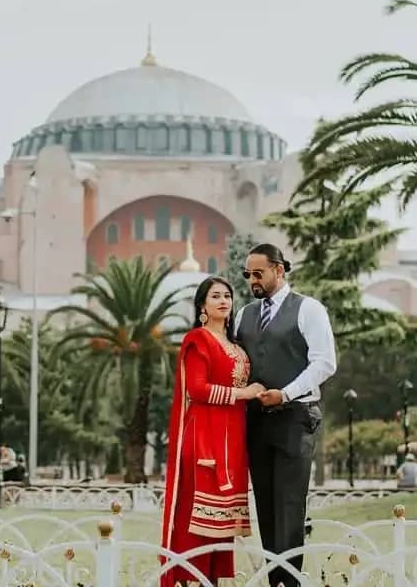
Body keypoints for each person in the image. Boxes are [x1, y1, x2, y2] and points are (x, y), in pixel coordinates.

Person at [237, 243, 337, 587]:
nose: (252, 280)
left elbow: (325, 362)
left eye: (258, 273)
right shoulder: (244, 314)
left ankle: (290, 583)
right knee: (265, 506)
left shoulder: (309, 309)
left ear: (279, 270)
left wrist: (286, 393)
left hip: (295, 417)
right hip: (256, 421)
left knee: (290, 506)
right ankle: (274, 582)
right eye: (248, 274)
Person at [160, 276, 266, 587]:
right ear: (202, 306)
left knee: (221, 524)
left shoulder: (235, 346)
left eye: (227, 296)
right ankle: (190, 579)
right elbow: (197, 389)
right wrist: (244, 394)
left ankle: (212, 581)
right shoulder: (198, 340)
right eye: (216, 296)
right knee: (196, 517)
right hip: (204, 435)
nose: (223, 301)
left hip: (231, 438)